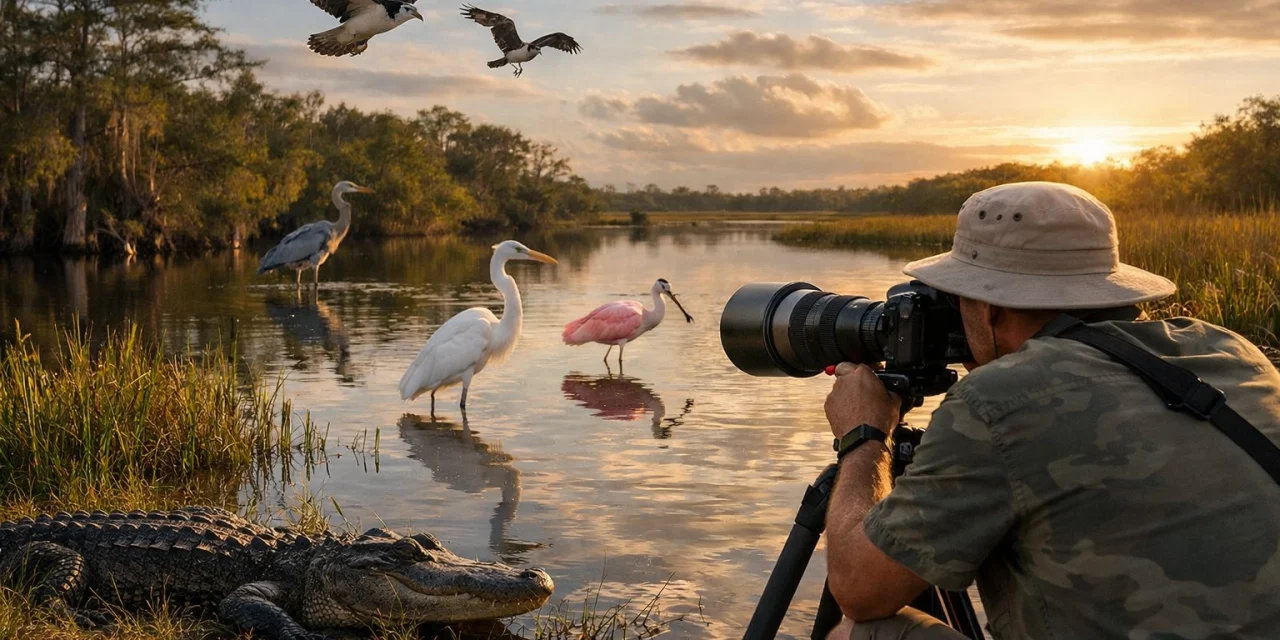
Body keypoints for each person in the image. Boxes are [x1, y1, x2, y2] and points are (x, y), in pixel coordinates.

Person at [821, 182, 1280, 639]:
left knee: (857, 632)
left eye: (958, 299)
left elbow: (859, 590)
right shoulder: (1230, 352)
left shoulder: (997, 401)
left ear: (988, 308)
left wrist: (865, 436)